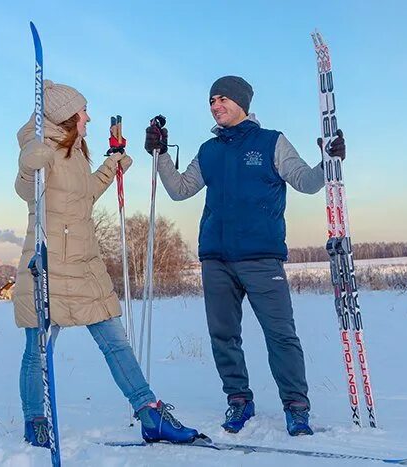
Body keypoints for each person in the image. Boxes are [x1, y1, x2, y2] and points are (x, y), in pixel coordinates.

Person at [144, 76, 346, 436]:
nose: (215, 105)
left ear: (242, 103)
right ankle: (238, 399)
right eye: (212, 100)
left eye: (222, 98)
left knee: (281, 334)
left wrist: (327, 161)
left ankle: (296, 406)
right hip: (216, 259)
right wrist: (160, 155)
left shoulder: (272, 142)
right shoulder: (209, 150)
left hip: (262, 258)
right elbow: (180, 190)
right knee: (223, 335)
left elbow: (307, 182)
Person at [13, 79, 199, 448]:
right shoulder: (40, 149)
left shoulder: (75, 152)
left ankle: (150, 413)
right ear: (68, 116)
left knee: (116, 341)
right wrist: (29, 162)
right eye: (84, 111)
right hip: (48, 267)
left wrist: (111, 166)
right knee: (37, 350)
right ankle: (35, 420)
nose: (89, 118)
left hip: (85, 266)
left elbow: (82, 198)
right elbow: (24, 188)